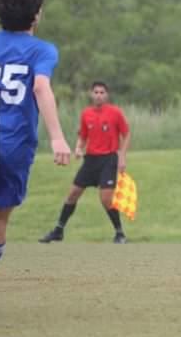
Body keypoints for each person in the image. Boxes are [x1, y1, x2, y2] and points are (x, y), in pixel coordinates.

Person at [0, 0, 71, 276]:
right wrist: (58, 138)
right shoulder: (41, 50)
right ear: (36, 14)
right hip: (13, 145)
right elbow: (40, 87)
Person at [39, 82, 130, 243]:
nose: (99, 95)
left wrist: (122, 156)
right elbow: (83, 135)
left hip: (108, 159)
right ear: (91, 94)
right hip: (91, 160)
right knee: (73, 193)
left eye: (102, 92)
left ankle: (119, 232)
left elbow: (126, 134)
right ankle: (58, 230)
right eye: (96, 92)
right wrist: (79, 148)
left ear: (107, 95)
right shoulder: (86, 113)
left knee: (106, 199)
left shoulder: (115, 113)